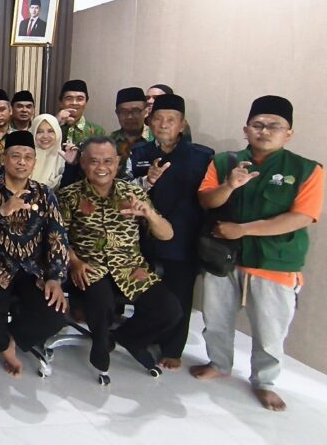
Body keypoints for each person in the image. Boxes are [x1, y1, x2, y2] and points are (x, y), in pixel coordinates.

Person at [191, 96, 323, 412]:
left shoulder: (306, 169)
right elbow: (206, 201)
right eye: (258, 125)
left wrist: (244, 230)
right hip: (223, 256)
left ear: (288, 133)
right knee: (216, 318)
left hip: (275, 260)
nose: (264, 131)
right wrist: (229, 186)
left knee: (270, 328)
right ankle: (219, 363)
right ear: (246, 129)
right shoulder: (225, 162)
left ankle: (265, 382)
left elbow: (301, 217)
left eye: (274, 126)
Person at [57, 137, 180, 383]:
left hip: (130, 268)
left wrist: (150, 215)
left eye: (108, 161)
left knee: (170, 310)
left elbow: (167, 235)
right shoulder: (70, 195)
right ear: (83, 163)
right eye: (94, 161)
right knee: (101, 303)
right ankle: (101, 347)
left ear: (117, 163)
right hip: (89, 266)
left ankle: (127, 337)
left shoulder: (133, 193)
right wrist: (74, 262)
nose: (101, 167)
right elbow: (57, 237)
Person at [0, 131, 70, 377]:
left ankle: (10, 341)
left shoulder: (44, 194)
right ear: (3, 159)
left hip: (33, 269)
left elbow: (57, 237)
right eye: (15, 156)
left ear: (34, 162)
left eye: (28, 157)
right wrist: (3, 211)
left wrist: (55, 277)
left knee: (56, 314)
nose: (22, 162)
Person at [126, 94, 213, 370]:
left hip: (183, 238)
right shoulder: (139, 153)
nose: (163, 124)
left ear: (182, 124)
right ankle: (144, 336)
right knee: (146, 291)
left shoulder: (202, 157)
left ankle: (173, 348)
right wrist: (147, 180)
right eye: (158, 119)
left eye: (171, 120)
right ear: (150, 122)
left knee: (180, 294)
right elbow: (125, 189)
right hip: (144, 237)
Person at [29, 114, 78, 189]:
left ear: (58, 133)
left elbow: (68, 189)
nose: (45, 136)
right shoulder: (23, 159)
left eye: (50, 131)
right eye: (39, 132)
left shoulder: (63, 160)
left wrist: (71, 165)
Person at [110, 87, 149, 178]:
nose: (130, 117)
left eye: (136, 111)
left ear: (146, 111)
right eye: (124, 112)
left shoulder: (156, 141)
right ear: (117, 113)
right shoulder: (109, 142)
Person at [57, 79, 105, 147]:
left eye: (80, 99)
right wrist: (55, 122)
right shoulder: (50, 127)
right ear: (61, 102)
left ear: (86, 102)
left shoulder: (97, 132)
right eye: (69, 98)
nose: (74, 103)